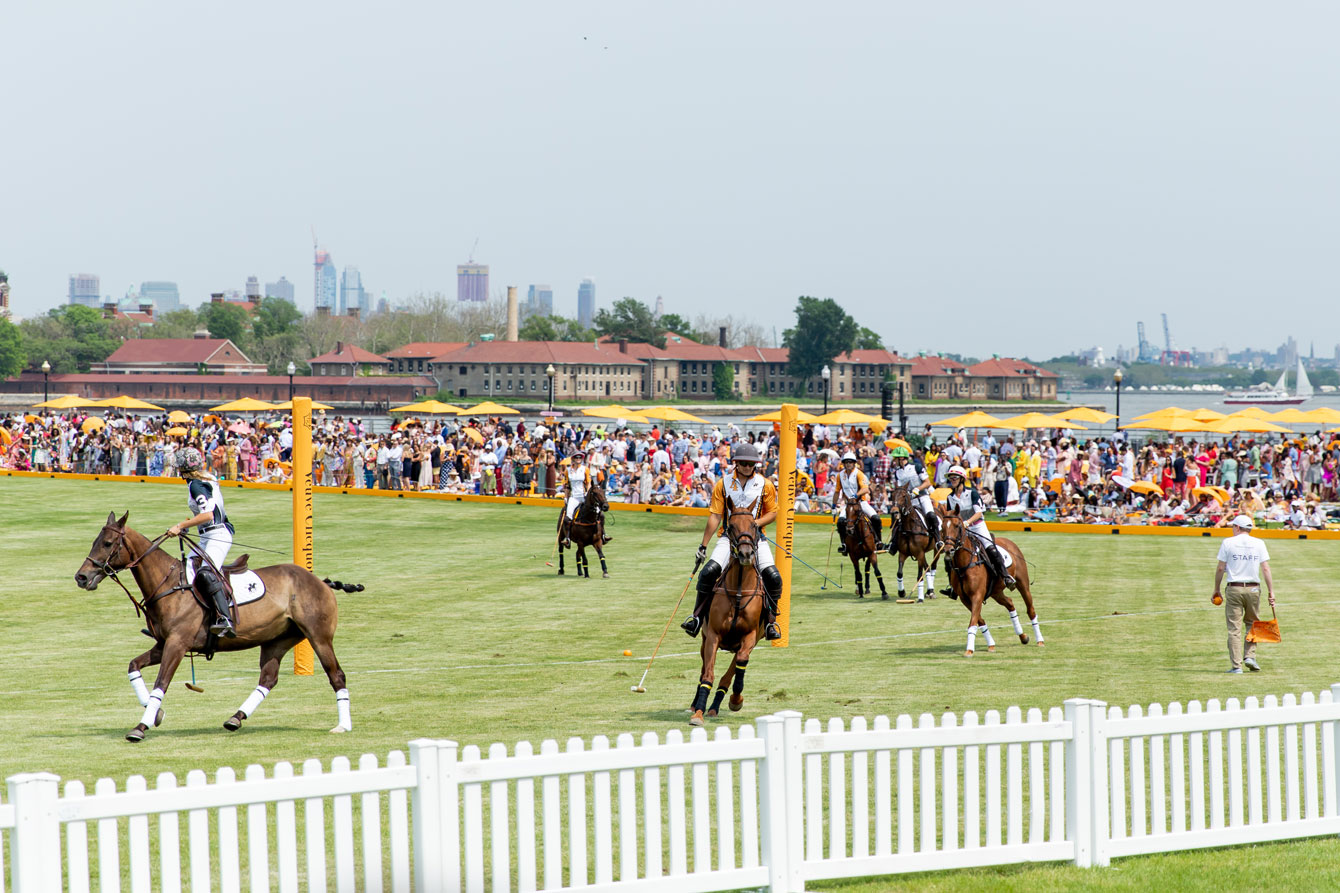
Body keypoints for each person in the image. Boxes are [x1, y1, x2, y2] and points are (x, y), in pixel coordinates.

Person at [681, 442, 782, 641]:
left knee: (773, 577)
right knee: (708, 572)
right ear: (736, 463)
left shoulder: (765, 485)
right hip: (729, 539)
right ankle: (697, 618)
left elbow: (772, 513)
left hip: (756, 539)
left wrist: (754, 524)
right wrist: (703, 546)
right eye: (743, 463)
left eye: (750, 463)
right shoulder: (723, 483)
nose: (746, 466)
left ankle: (771, 622)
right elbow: (715, 516)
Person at [167, 446, 236, 637]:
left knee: (206, 573)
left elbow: (207, 515)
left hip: (218, 535)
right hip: (207, 535)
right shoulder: (206, 477)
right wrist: (189, 523)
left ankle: (225, 619)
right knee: (186, 568)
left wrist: (181, 525)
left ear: (180, 468)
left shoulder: (195, 485)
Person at [1213, 514, 1275, 674]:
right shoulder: (1259, 543)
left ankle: (1237, 666)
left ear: (1238, 527)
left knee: (1234, 628)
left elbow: (1221, 568)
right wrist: (1271, 591)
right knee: (1253, 623)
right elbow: (1266, 568)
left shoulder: (1228, 542)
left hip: (1234, 587)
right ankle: (1250, 656)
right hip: (1254, 588)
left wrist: (1216, 588)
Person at [941, 464, 1014, 592]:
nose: (952, 480)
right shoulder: (950, 497)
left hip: (977, 526)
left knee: (990, 548)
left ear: (961, 479)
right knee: (949, 554)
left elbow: (979, 513)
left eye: (954, 478)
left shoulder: (972, 493)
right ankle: (953, 586)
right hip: (961, 530)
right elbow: (949, 516)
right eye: (951, 479)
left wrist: (967, 522)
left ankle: (1006, 576)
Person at [889, 445, 940, 544]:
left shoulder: (916, 467)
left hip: (922, 497)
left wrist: (917, 488)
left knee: (931, 515)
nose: (894, 460)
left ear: (901, 458)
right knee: (896, 517)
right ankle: (893, 543)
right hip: (909, 500)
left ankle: (938, 540)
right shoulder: (897, 472)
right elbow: (899, 488)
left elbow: (927, 482)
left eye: (895, 458)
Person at [833, 451, 882, 554]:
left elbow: (865, 489)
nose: (848, 464)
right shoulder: (840, 475)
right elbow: (837, 492)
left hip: (861, 502)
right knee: (840, 522)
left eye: (850, 462)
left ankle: (878, 541)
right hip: (848, 505)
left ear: (854, 463)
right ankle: (844, 544)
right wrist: (834, 505)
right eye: (846, 462)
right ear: (844, 463)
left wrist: (855, 496)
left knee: (876, 519)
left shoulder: (859, 474)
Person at [560, 452, 610, 547]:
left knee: (600, 514)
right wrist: (566, 498)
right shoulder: (568, 470)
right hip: (574, 497)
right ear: (573, 459)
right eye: (576, 457)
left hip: (584, 496)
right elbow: (566, 485)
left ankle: (603, 535)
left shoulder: (585, 469)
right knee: (568, 518)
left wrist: (588, 494)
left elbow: (588, 483)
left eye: (580, 457)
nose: (578, 459)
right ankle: (568, 538)